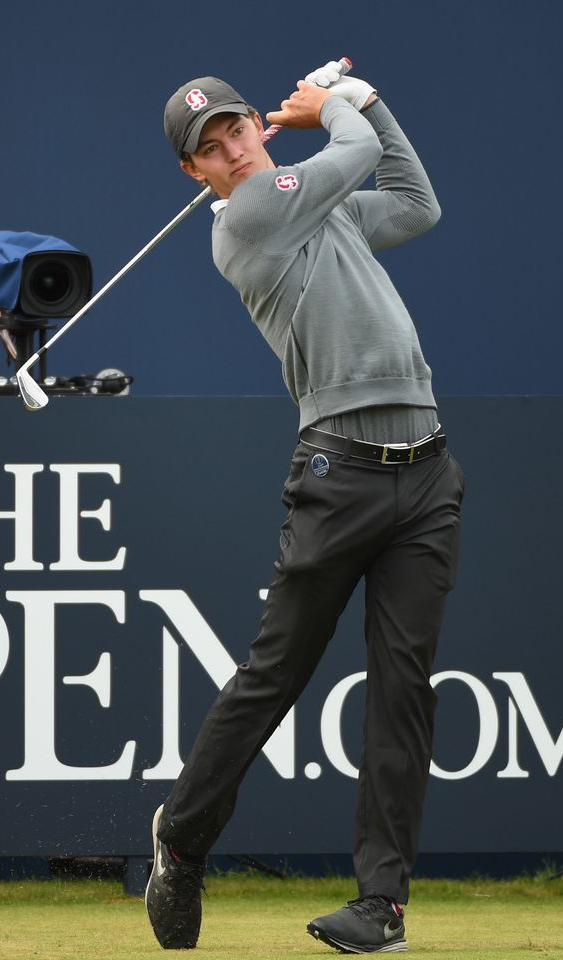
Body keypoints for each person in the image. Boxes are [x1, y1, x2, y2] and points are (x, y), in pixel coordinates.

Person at [146, 61, 465, 954]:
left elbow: (412, 198)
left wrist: (369, 106)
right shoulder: (247, 220)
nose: (232, 150)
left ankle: (381, 905)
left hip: (427, 471)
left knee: (403, 691)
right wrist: (340, 108)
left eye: (237, 130)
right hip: (340, 476)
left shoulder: (315, 211)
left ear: (257, 127)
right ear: (195, 174)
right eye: (210, 149)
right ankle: (181, 836)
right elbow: (353, 153)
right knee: (276, 675)